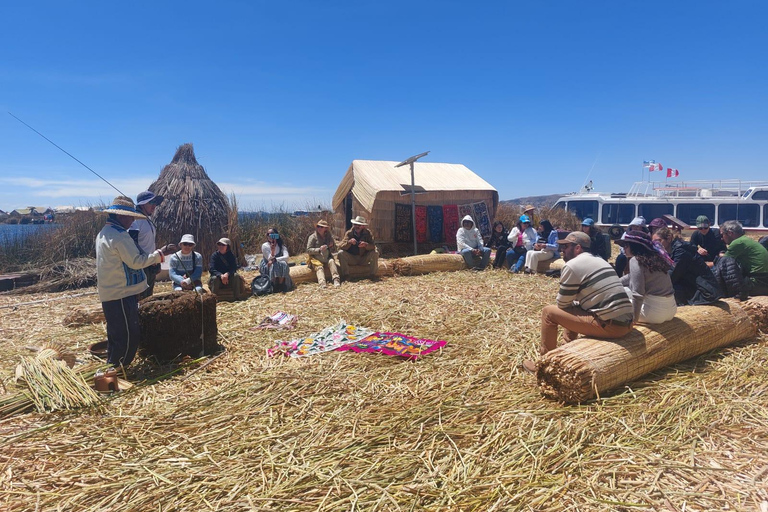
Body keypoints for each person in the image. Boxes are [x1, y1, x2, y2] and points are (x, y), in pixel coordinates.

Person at [521, 231, 634, 373]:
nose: (562, 250)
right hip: (627, 322)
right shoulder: (600, 260)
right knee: (575, 307)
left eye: (566, 246)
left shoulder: (573, 265)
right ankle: (567, 348)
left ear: (578, 248)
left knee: (548, 312)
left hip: (612, 326)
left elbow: (562, 304)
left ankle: (544, 366)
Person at [96, 196, 175, 368]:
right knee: (128, 334)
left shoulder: (103, 232)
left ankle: (112, 366)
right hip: (121, 292)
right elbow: (136, 261)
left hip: (108, 291)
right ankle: (118, 369)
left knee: (115, 332)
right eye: (130, 217)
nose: (132, 221)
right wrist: (160, 254)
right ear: (121, 216)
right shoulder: (119, 236)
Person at [618, 231, 677, 324]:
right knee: (624, 290)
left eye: (626, 245)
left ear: (634, 246)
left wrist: (634, 319)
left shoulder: (635, 260)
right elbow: (631, 277)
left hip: (653, 313)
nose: (623, 248)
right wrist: (614, 282)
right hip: (671, 310)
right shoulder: (655, 257)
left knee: (617, 300)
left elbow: (638, 294)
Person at [653, 227, 721, 306]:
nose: (656, 245)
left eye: (659, 241)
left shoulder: (681, 251)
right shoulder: (671, 251)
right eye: (654, 243)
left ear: (669, 238)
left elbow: (673, 274)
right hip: (692, 287)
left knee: (670, 289)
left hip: (704, 292)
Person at [720, 220, 768, 296]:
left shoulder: (738, 242)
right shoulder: (745, 240)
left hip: (756, 281)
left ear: (730, 233)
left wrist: (705, 264)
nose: (721, 238)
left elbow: (722, 263)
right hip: (764, 279)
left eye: (722, 235)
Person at [131, 190, 164, 299]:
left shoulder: (147, 220)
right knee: (141, 298)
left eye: (155, 203)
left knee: (149, 297)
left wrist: (155, 260)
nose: (154, 206)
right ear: (142, 204)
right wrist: (149, 258)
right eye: (151, 202)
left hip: (150, 264)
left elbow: (149, 243)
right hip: (141, 266)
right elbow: (133, 243)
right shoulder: (135, 220)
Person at [306, 219, 340, 287]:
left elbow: (335, 249)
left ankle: (336, 279)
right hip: (316, 259)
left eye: (321, 227)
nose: (319, 228)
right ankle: (322, 283)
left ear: (326, 228)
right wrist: (319, 249)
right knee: (319, 267)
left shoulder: (329, 237)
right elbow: (308, 250)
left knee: (332, 262)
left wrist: (331, 246)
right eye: (318, 226)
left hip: (327, 257)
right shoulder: (313, 237)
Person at [260, 228, 294, 292]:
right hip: (267, 264)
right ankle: (274, 284)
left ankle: (281, 284)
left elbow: (286, 257)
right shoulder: (265, 246)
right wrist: (272, 251)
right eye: (268, 234)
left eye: (272, 234)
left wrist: (276, 259)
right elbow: (269, 259)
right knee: (274, 264)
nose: (270, 236)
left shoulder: (281, 246)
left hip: (278, 263)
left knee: (283, 263)